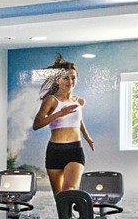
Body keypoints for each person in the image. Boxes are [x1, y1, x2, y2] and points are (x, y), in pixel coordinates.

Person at [32, 59, 93, 193]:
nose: (70, 82)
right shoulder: (51, 100)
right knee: (59, 197)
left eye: (73, 78)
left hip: (75, 150)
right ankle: (65, 215)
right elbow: (36, 125)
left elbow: (78, 120)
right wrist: (59, 113)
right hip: (55, 151)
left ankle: (77, 210)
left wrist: (87, 136)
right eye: (66, 78)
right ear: (57, 80)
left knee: (69, 190)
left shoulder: (79, 101)